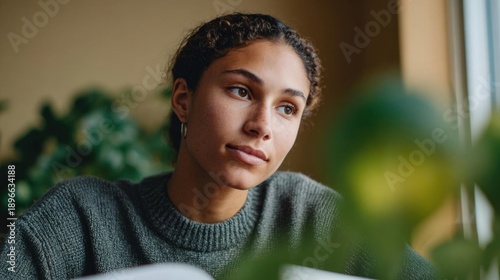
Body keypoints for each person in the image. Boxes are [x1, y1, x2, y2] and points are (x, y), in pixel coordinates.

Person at [0, 13, 436, 279]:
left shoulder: (310, 213)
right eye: (242, 92)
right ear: (183, 99)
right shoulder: (82, 216)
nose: (262, 125)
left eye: (288, 108)